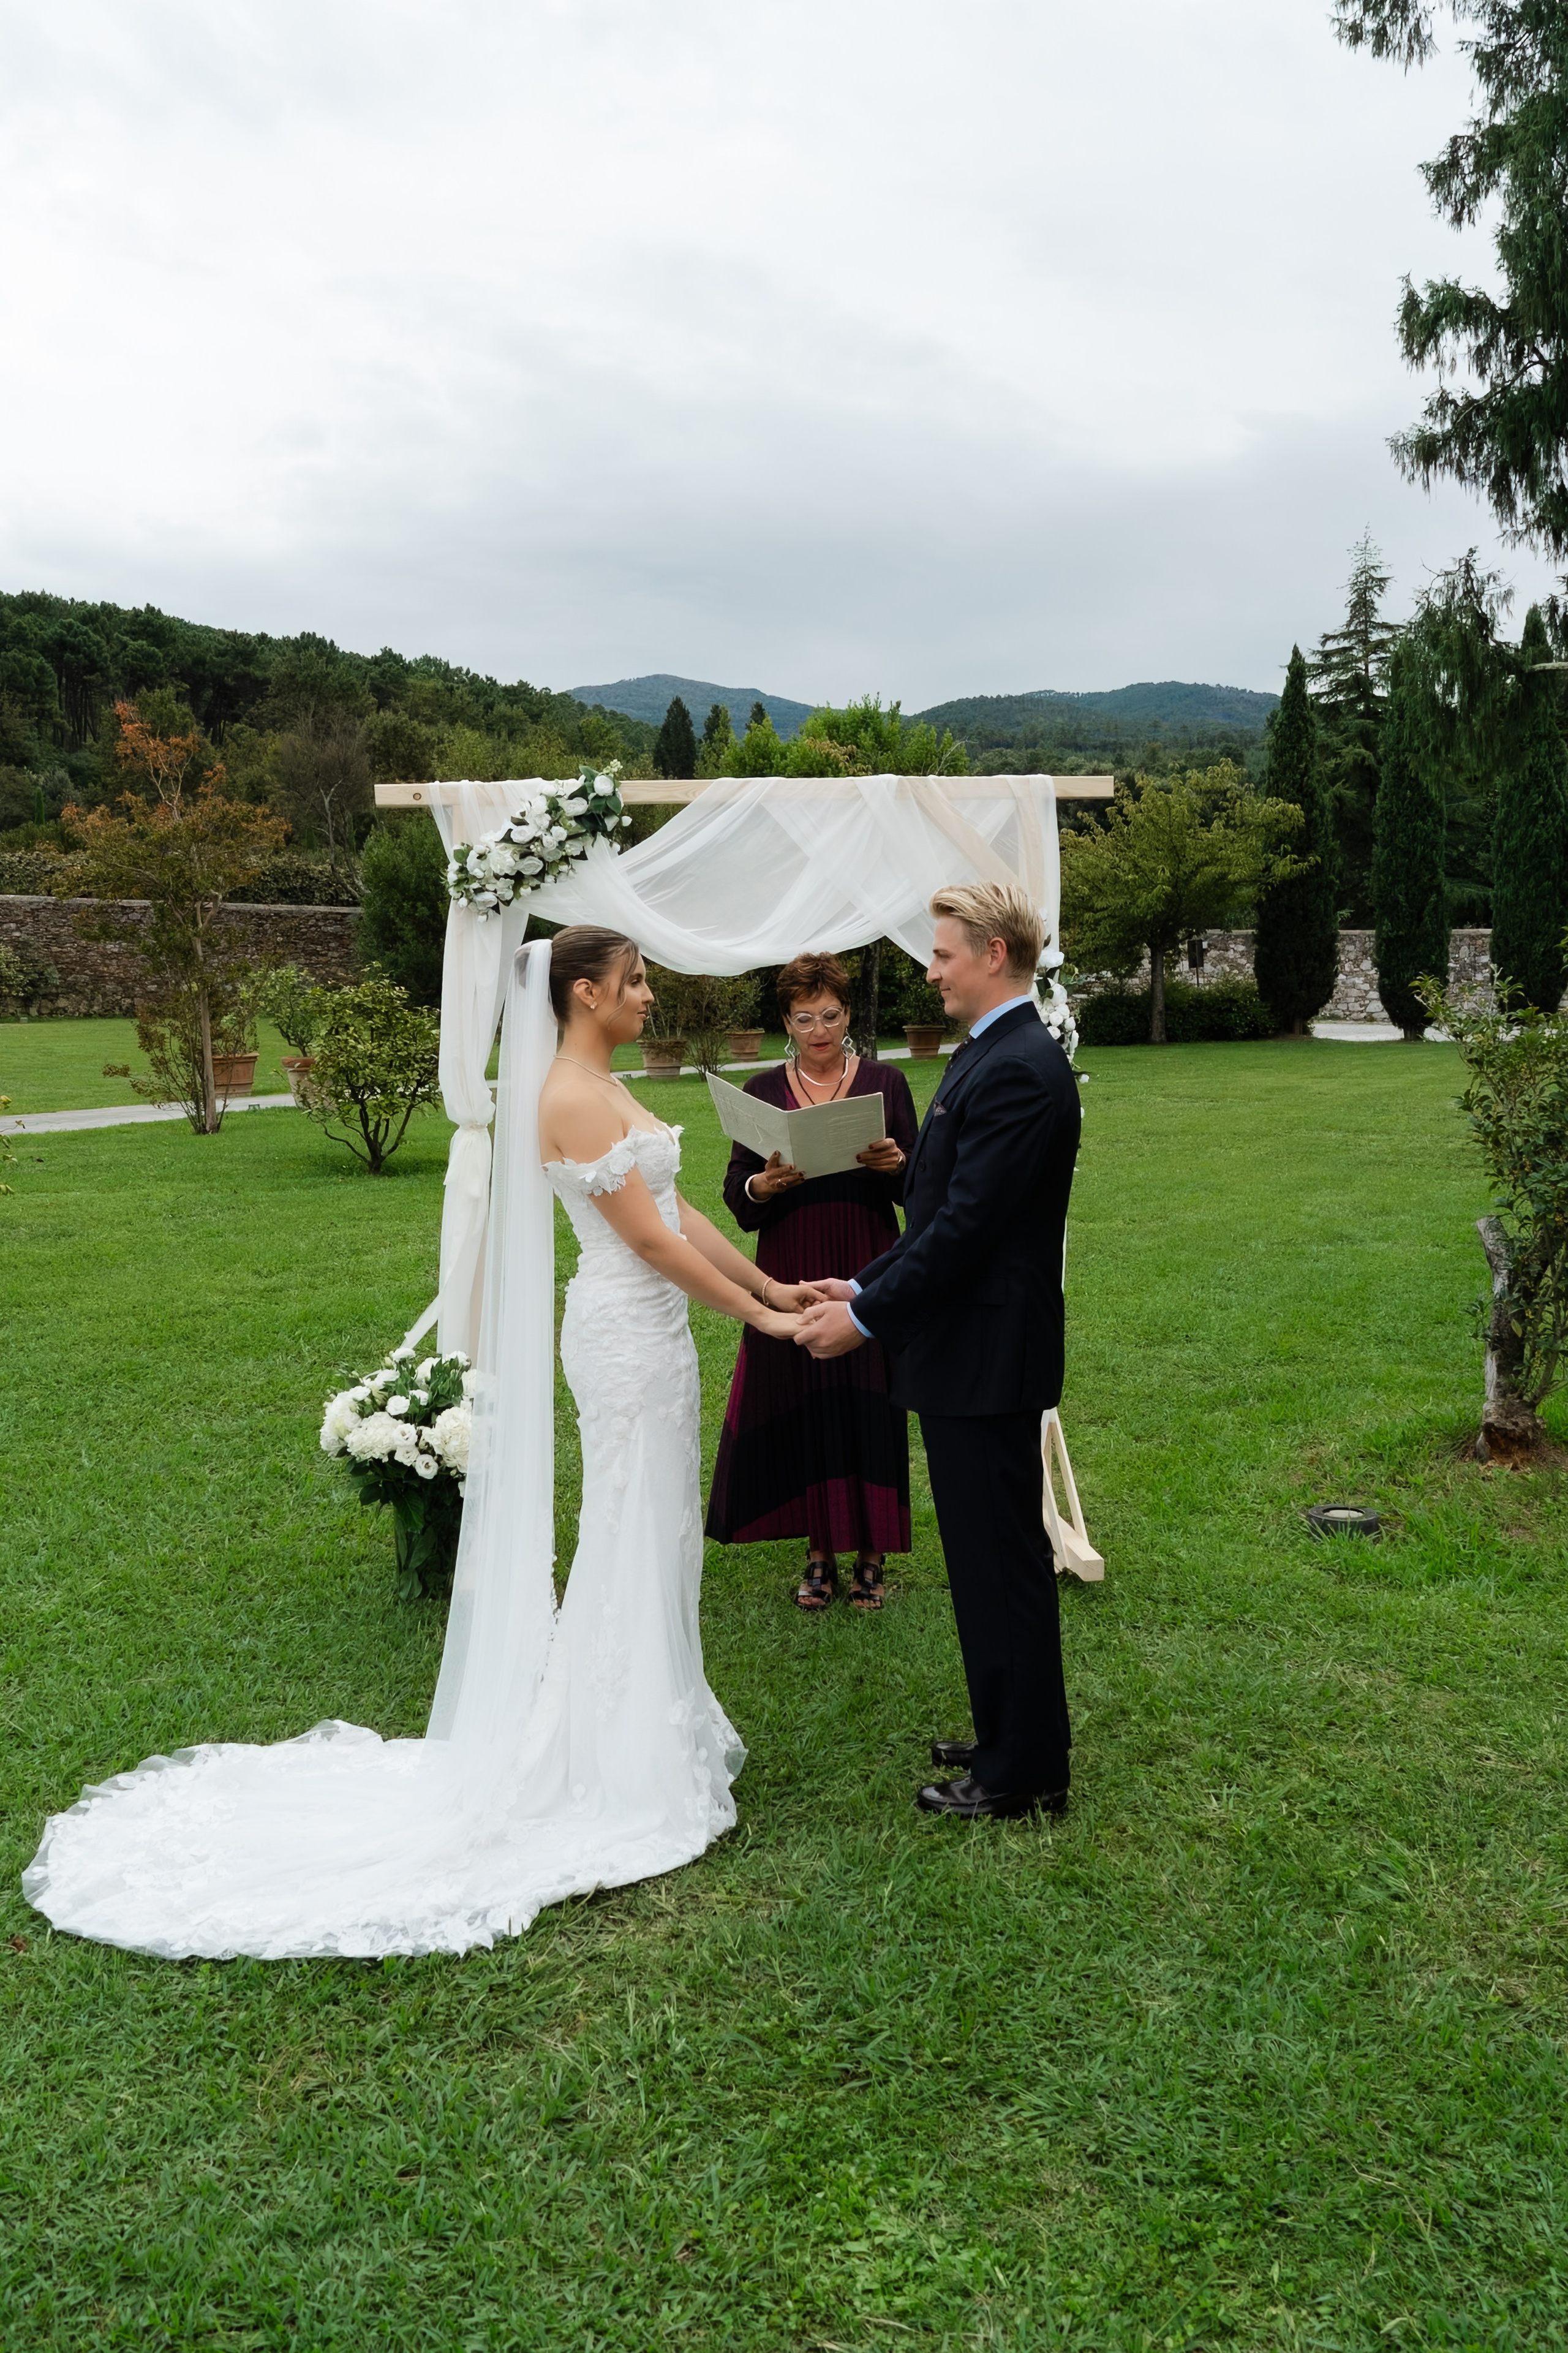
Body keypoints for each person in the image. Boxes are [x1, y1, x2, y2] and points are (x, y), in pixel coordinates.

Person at [23, 928, 812, 1960]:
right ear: (586, 993)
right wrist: (759, 1323)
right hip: (623, 1336)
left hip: (657, 1336)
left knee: (657, 1523)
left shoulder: (605, 1081)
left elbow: (684, 1211)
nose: (651, 994)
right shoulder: (569, 1096)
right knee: (629, 1523)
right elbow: (647, 1242)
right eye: (636, 981)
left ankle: (648, 1720)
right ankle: (611, 1753)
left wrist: (770, 1284)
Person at [797, 883, 1080, 1822]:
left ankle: (1022, 1772)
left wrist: (867, 1324)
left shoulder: (1017, 1066)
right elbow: (934, 1211)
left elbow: (966, 1231)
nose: (931, 968)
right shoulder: (991, 1052)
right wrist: (866, 1285)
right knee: (987, 1558)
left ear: (996, 954)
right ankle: (1011, 1730)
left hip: (989, 1357)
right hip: (970, 1351)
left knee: (1001, 1561)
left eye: (945, 953)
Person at [706, 952, 919, 1611]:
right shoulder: (766, 1093)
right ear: (786, 1022)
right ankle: (818, 1553)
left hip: (865, 1261)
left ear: (848, 1015)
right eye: (805, 1017)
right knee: (801, 1396)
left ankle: (872, 1556)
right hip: (789, 1263)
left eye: (830, 1015)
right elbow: (737, 1198)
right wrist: (761, 1183)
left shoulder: (886, 1082)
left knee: (868, 1396)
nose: (819, 1028)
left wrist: (896, 1163)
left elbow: (924, 1189)